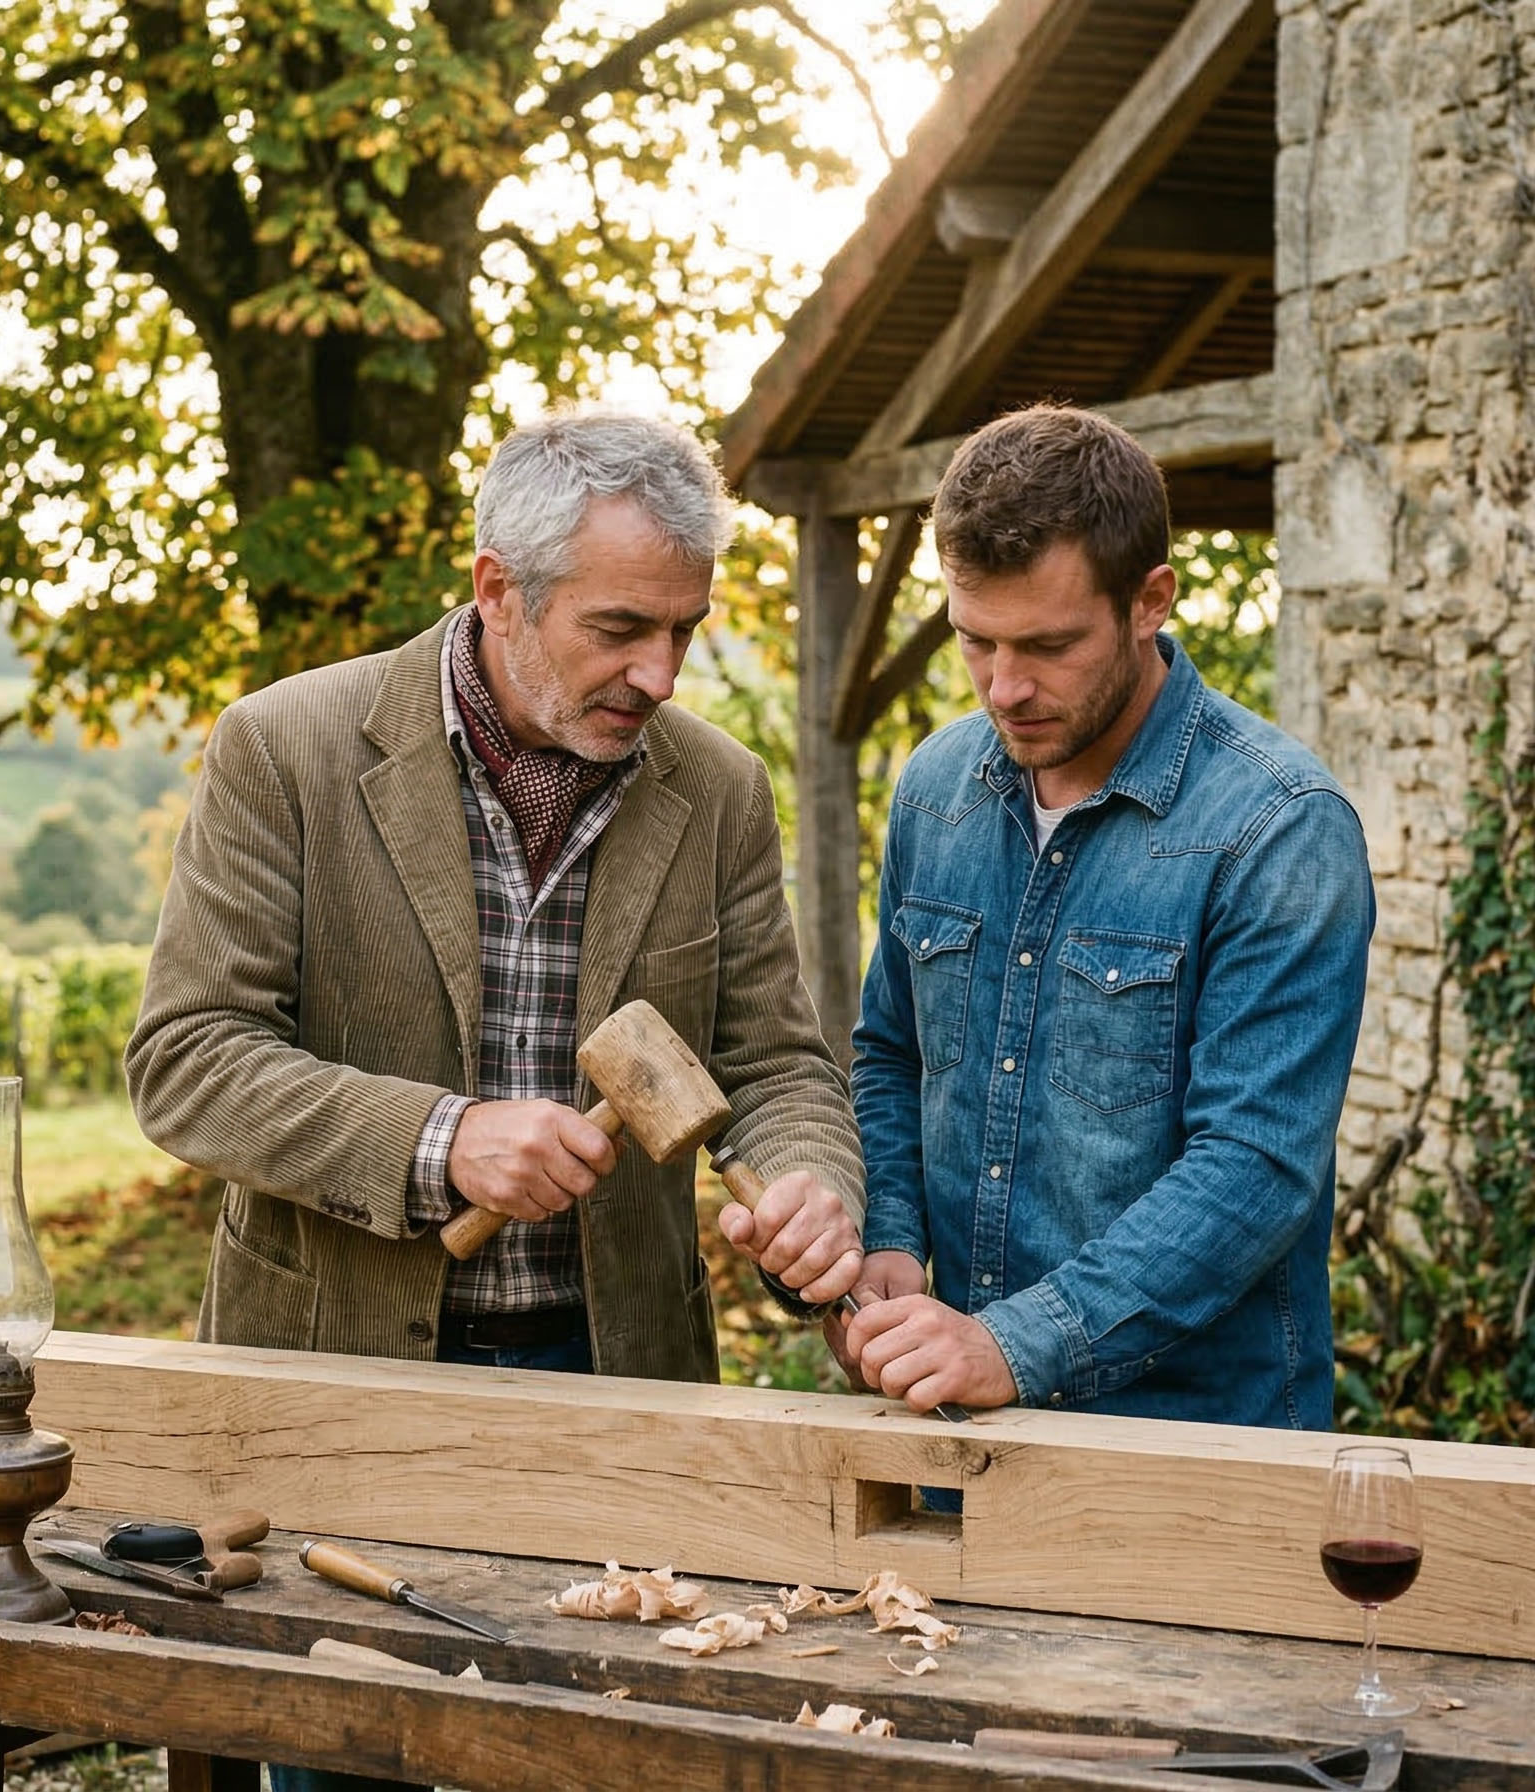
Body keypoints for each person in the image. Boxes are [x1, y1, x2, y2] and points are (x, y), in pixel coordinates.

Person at [126, 411, 865, 1792]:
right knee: (351, 1757)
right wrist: (438, 1137)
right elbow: (185, 1058)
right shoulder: (285, 753)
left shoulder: (717, 792)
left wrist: (816, 1178)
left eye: (686, 632)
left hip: (617, 1382)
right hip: (346, 1378)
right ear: (497, 591)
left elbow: (778, 1066)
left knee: (605, 1755)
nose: (659, 671)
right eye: (620, 628)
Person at [836, 403, 1373, 1432]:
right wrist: (892, 1238)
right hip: (963, 1426)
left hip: (1199, 1442)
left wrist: (1015, 1342)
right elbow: (892, 1053)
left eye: (1046, 644)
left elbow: (1255, 1166)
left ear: (1150, 601)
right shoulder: (936, 790)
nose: (1005, 685)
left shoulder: (1279, 827)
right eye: (974, 640)